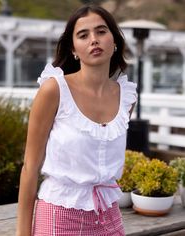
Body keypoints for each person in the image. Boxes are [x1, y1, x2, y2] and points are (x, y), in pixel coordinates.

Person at [16, 4, 137, 236]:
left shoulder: (127, 98)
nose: (94, 39)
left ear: (114, 42)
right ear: (74, 49)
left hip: (109, 215)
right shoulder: (54, 90)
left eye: (101, 31)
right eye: (83, 35)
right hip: (60, 215)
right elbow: (30, 167)